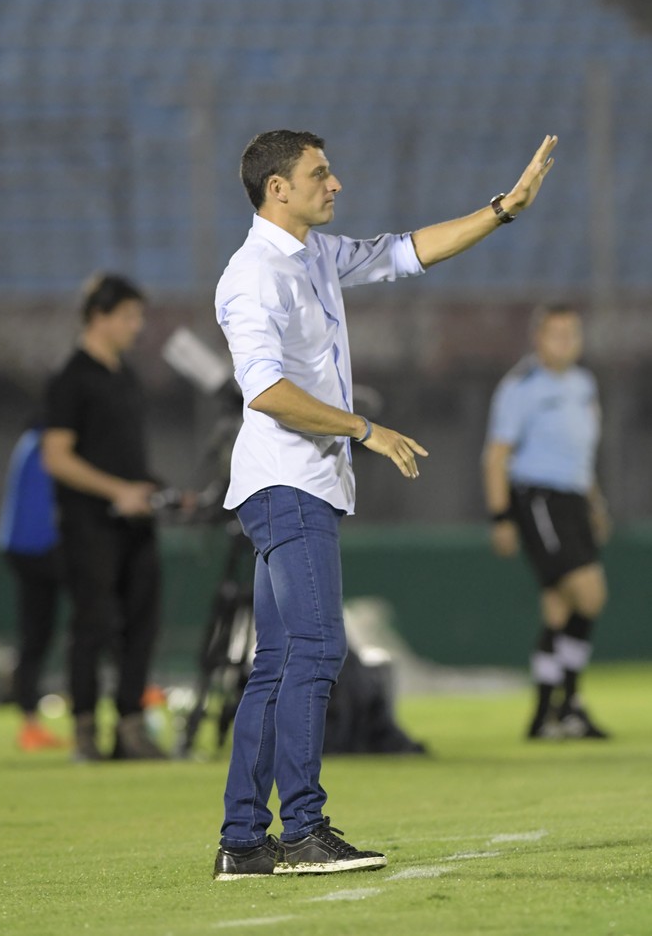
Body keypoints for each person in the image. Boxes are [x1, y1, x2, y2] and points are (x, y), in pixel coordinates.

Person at [211, 128, 557, 879]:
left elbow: (407, 252)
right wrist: (363, 428)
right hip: (287, 482)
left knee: (277, 663)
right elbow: (264, 391)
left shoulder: (315, 257)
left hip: (298, 485)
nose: (335, 185)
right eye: (320, 174)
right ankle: (301, 831)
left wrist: (502, 210)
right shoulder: (253, 276)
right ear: (279, 189)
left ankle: (243, 841)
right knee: (316, 650)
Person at [42, 273, 166, 762]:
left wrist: (156, 490)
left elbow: (127, 458)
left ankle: (131, 727)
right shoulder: (70, 377)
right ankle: (85, 732)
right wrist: (119, 491)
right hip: (89, 526)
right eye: (130, 315)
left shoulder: (125, 376)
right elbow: (56, 456)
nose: (138, 326)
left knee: (142, 622)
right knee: (92, 625)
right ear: (99, 316)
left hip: (136, 525)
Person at [483, 304, 610, 740]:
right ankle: (569, 704)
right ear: (538, 338)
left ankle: (544, 714)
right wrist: (501, 517)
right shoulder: (522, 387)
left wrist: (595, 503)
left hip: (573, 499)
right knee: (589, 593)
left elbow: (581, 454)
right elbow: (496, 457)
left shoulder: (582, 384)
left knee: (560, 605)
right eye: (556, 334)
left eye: (572, 334)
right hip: (539, 498)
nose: (565, 342)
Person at [0, 422, 67, 750]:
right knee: (93, 622)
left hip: (23, 546)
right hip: (40, 548)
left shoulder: (31, 440)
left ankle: (29, 719)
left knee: (35, 635)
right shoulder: (48, 443)